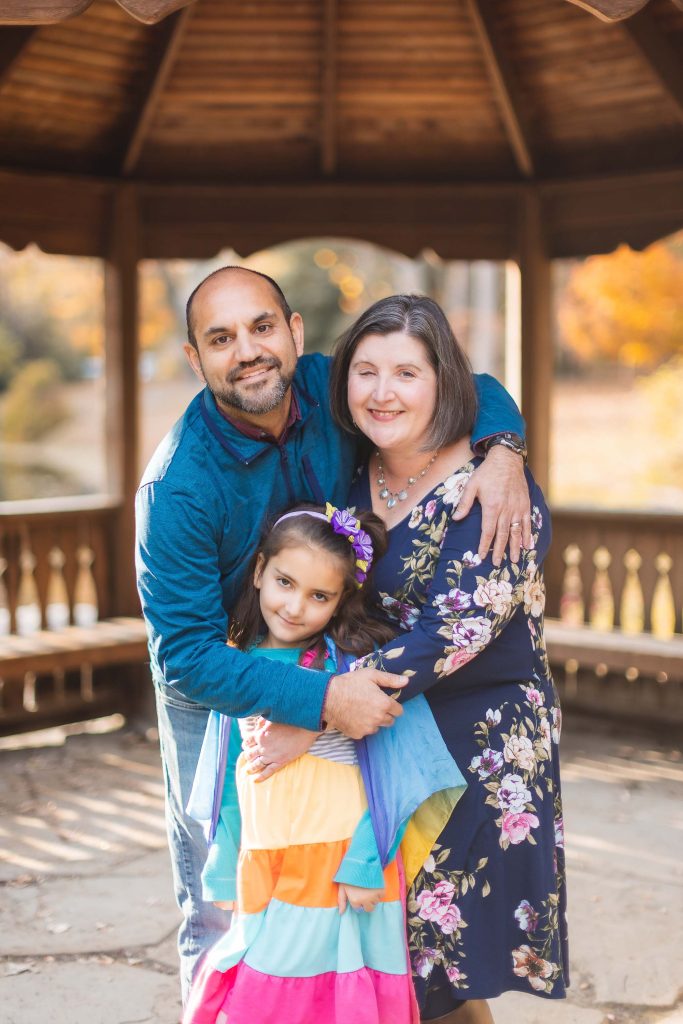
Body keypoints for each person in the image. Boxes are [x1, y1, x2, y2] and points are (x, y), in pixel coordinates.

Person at [135, 266, 531, 1002]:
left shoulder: (329, 385)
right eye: (220, 339)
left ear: (294, 332)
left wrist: (503, 446)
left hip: (328, 653)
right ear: (195, 359)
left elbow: (460, 382)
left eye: (260, 327)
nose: (246, 351)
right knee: (227, 898)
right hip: (222, 681)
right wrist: (319, 701)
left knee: (343, 884)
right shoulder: (177, 490)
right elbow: (185, 657)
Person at [253, 294, 568, 1023]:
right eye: (365, 371)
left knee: (440, 966)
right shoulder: (349, 478)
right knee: (386, 953)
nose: (381, 392)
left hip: (473, 743)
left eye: (405, 373)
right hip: (380, 725)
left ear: (444, 383)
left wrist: (320, 707)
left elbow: (454, 628)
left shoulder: (496, 490)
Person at [183, 502, 466, 1024]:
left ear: (340, 602)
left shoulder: (352, 671)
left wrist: (366, 861)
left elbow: (394, 772)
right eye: (284, 583)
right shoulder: (237, 664)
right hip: (265, 859)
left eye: (319, 596)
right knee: (266, 990)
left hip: (341, 864)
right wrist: (224, 861)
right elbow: (231, 772)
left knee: (328, 995)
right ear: (258, 572)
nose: (295, 607)